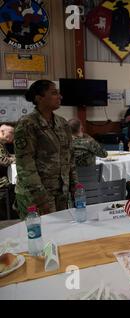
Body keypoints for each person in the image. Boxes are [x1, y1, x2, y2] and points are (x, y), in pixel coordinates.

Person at [14, 80, 78, 218]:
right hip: (36, 195)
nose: (59, 97)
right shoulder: (27, 124)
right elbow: (25, 166)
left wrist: (75, 187)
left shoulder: (62, 123)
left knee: (62, 234)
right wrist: (41, 199)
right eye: (54, 93)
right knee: (39, 236)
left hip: (61, 193)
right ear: (39, 98)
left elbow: (70, 158)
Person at [0, 125, 16, 219]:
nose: (13, 135)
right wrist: (14, 160)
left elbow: (8, 156)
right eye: (11, 133)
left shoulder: (2, 144)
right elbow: (2, 160)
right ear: (2, 132)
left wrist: (14, 157)